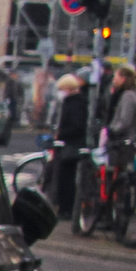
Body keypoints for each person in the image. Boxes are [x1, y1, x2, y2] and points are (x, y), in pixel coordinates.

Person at [48, 71, 88, 214]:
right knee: (64, 177)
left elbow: (77, 125)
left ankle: (66, 208)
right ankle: (64, 206)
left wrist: (61, 134)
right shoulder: (73, 101)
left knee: (67, 178)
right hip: (68, 143)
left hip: (71, 145)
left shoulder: (76, 103)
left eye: (62, 89)